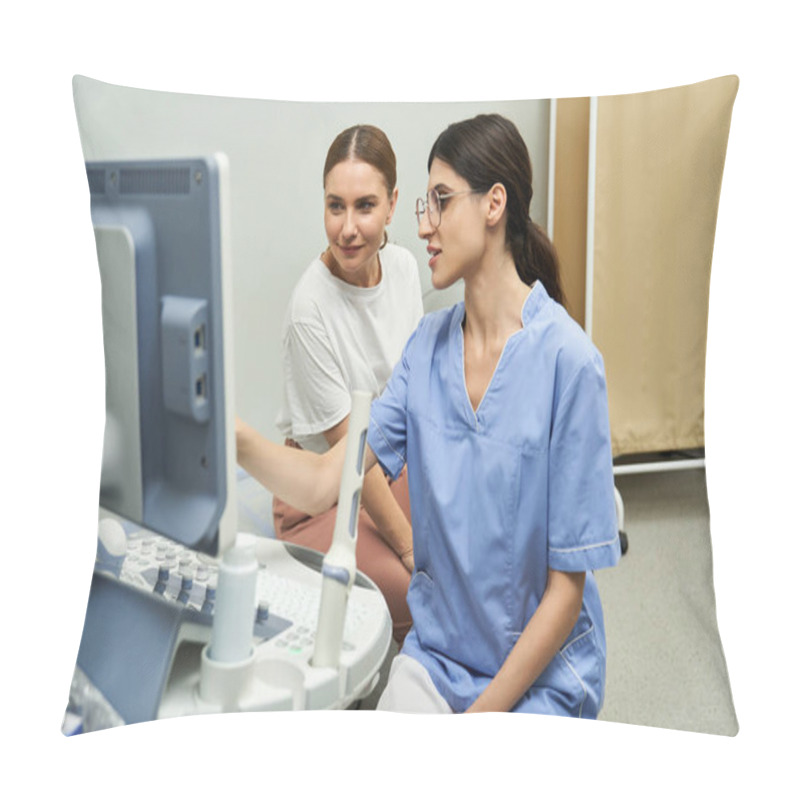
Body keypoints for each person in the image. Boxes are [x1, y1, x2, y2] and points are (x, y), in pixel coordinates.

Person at [237, 113, 620, 716]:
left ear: (494, 205)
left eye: (440, 201)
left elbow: (566, 594)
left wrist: (478, 720)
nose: (423, 225)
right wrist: (233, 439)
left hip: (542, 675)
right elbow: (321, 483)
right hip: (440, 657)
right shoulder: (427, 350)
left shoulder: (569, 364)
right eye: (424, 203)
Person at [272, 124, 423, 645]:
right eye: (336, 206)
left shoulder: (402, 269)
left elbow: (416, 396)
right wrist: (407, 546)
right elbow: (349, 456)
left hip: (388, 469)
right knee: (415, 586)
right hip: (323, 493)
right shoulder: (308, 310)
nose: (348, 228)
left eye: (365, 206)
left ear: (392, 205)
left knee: (477, 549)